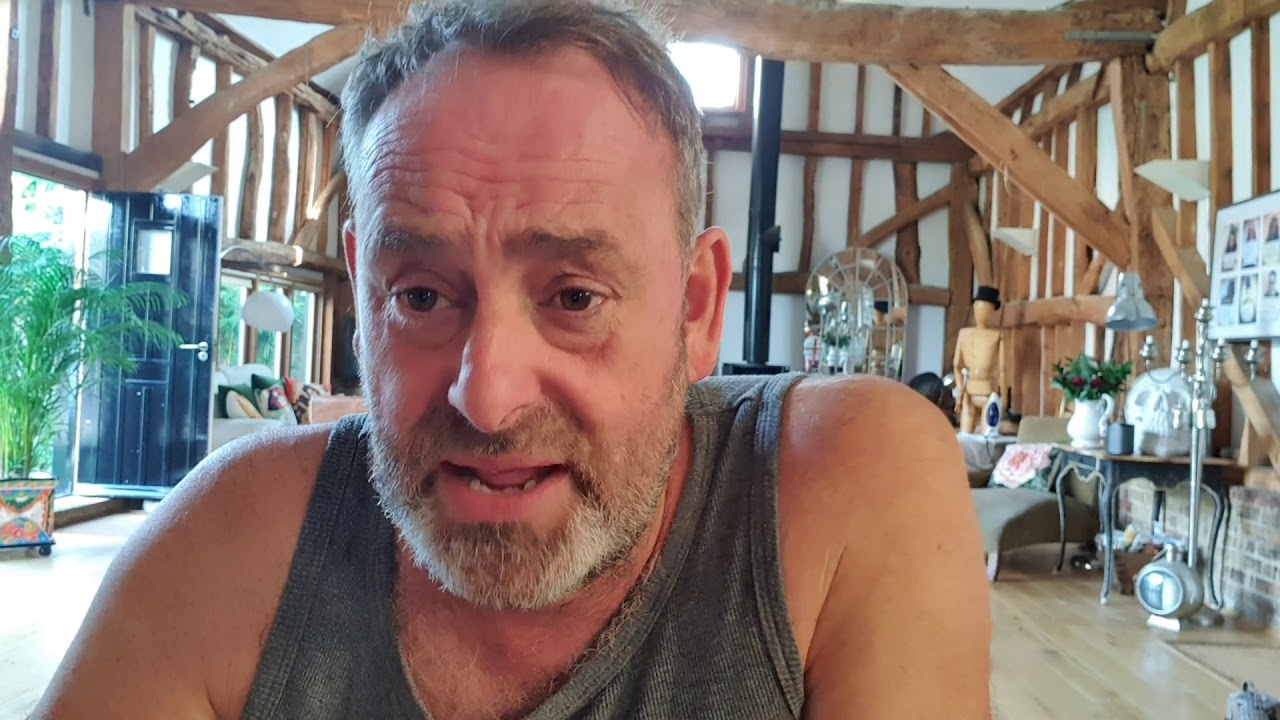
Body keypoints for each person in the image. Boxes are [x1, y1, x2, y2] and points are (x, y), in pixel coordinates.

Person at [31, 2, 989, 718]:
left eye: (574, 298)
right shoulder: (230, 544)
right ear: (362, 294)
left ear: (696, 309)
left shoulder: (842, 490)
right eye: (420, 297)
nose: (486, 399)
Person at [953, 286, 1005, 435]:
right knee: (965, 435)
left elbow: (1003, 370)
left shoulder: (997, 336)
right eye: (978, 309)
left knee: (987, 435)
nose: (980, 313)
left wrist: (1004, 397)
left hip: (988, 389)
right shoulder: (964, 334)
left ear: (991, 312)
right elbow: (957, 366)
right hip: (968, 390)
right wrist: (960, 390)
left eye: (984, 310)